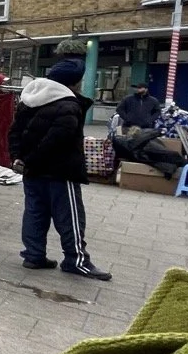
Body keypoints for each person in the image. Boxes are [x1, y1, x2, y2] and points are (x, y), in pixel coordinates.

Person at [8, 57, 111, 281]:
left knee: (35, 213)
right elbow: (57, 140)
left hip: (31, 172)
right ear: (73, 82)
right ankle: (76, 260)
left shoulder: (29, 100)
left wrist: (19, 159)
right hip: (60, 172)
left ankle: (34, 255)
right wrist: (31, 160)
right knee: (70, 218)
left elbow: (14, 132)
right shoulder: (69, 105)